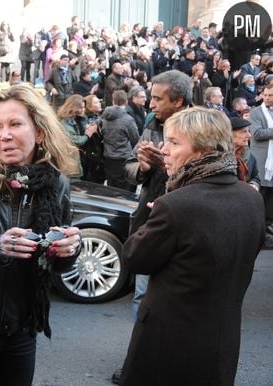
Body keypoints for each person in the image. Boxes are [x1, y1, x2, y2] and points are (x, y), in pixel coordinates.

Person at [119, 107, 265, 385]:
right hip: (223, 341)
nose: (164, 151)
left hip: (168, 346)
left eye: (174, 142)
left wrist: (155, 217)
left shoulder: (176, 205)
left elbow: (134, 258)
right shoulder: (252, 198)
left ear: (202, 149)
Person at [0, 83, 81, 386]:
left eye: (15, 124)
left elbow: (56, 265)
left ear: (39, 132)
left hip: (22, 325)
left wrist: (67, 251)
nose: (4, 135)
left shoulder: (55, 184)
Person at [113, 69, 191, 384]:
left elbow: (208, 177)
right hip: (150, 223)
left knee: (177, 302)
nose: (151, 104)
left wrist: (167, 165)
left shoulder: (203, 129)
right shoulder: (150, 126)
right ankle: (138, 361)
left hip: (186, 227)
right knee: (142, 296)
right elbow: (131, 169)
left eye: (158, 98)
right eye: (151, 96)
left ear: (179, 100)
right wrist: (143, 166)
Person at [249, 83, 273, 247]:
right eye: (266, 94)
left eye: (271, 95)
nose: (267, 97)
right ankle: (260, 232)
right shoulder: (255, 112)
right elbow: (257, 134)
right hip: (263, 161)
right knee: (261, 198)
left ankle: (268, 228)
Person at [101, 90, 139, 192]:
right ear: (126, 102)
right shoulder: (127, 120)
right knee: (124, 190)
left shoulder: (104, 117)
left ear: (113, 101)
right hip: (123, 158)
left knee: (111, 187)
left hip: (108, 158)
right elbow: (135, 139)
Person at [57, 94, 98, 177]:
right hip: (70, 160)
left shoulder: (77, 118)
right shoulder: (65, 122)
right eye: (81, 107)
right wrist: (88, 133)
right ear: (73, 107)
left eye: (83, 107)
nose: (83, 110)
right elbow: (75, 140)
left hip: (79, 156)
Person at [230, 116, 260, 190]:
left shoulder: (250, 156)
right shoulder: (218, 158)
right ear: (229, 134)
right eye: (244, 132)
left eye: (248, 131)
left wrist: (254, 185)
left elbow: (255, 177)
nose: (249, 135)